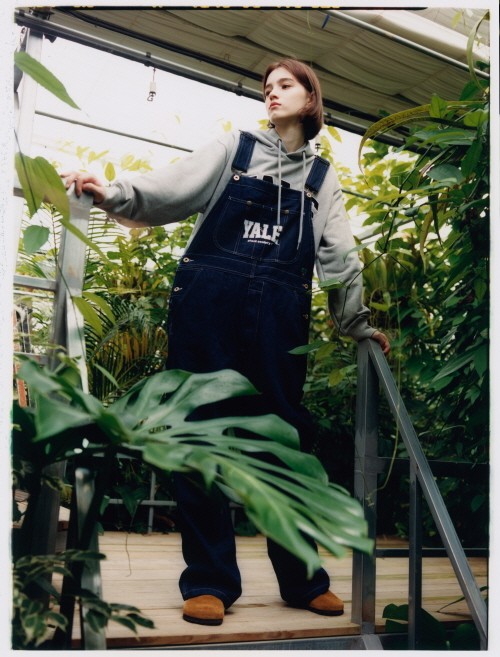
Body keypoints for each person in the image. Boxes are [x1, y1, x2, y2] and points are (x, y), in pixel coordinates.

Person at [63, 58, 390, 626]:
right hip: (207, 308)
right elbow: (170, 188)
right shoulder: (234, 149)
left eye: (285, 85)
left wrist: (355, 323)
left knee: (283, 445)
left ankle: (302, 580)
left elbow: (339, 256)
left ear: (311, 97)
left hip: (279, 320)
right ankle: (210, 581)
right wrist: (111, 192)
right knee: (199, 439)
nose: (272, 93)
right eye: (267, 86)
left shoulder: (322, 178)